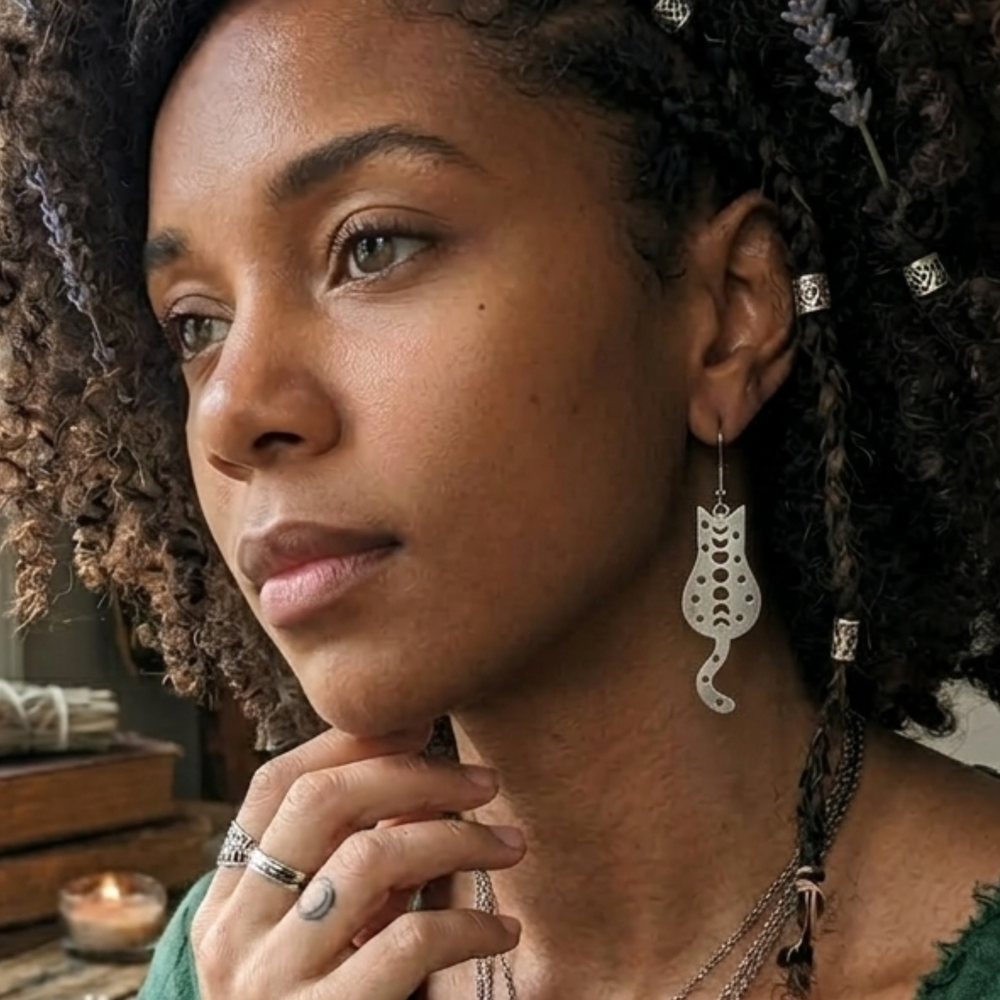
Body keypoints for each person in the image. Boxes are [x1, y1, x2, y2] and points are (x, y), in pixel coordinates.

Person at [1, 0, 1000, 995]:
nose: (230, 412)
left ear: (730, 313)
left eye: (374, 246)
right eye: (195, 324)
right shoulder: (233, 963)